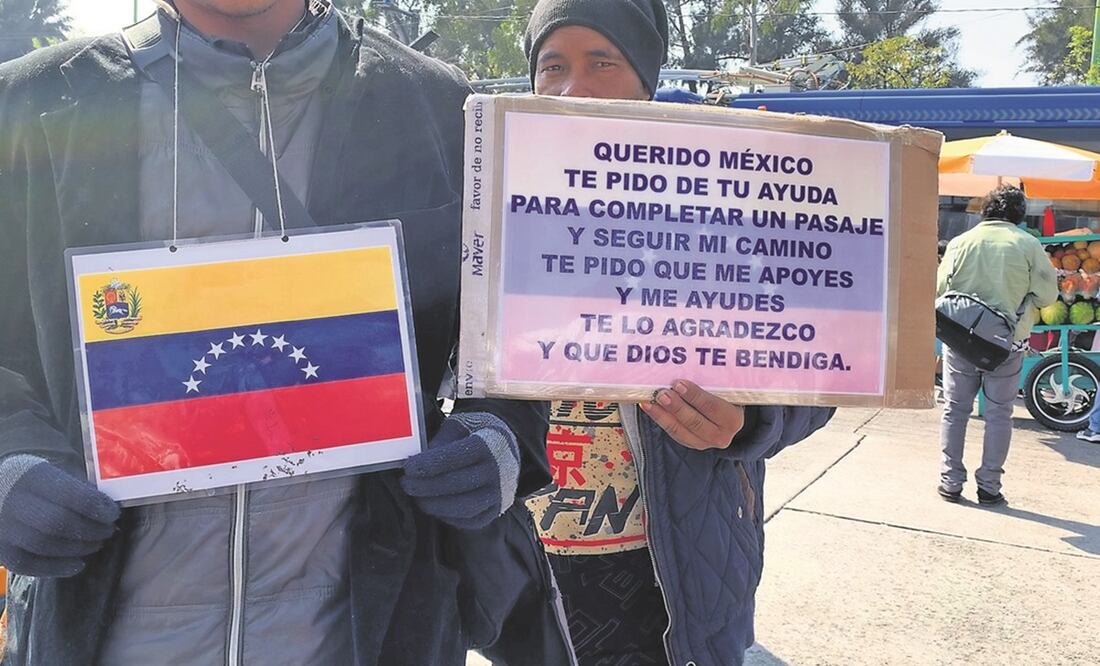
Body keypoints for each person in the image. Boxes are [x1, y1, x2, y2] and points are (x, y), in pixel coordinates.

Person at [0, 1, 570, 663]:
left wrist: (496, 436)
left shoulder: (438, 105)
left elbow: (511, 331)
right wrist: (10, 457)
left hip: (369, 631)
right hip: (109, 633)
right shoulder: (32, 106)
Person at [520, 1, 836, 664]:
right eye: (553, 66)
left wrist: (753, 418)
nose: (573, 87)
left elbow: (827, 370)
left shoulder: (729, 199)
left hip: (671, 563)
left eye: (602, 62)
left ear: (644, 75)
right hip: (524, 566)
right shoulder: (495, 200)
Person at [937, 185, 1058, 506]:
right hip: (1007, 342)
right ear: (1018, 216)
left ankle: (950, 482)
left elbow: (939, 290)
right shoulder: (1028, 245)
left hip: (960, 340)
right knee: (1000, 414)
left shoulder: (961, 242)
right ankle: (989, 487)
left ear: (984, 211)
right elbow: (1048, 297)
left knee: (955, 409)